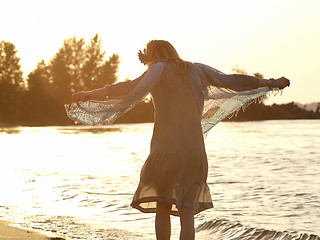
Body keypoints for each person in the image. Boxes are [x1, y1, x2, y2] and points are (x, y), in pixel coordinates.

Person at [70, 40, 290, 240]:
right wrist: (270, 82)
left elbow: (128, 87)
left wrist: (90, 94)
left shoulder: (158, 69)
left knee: (163, 207)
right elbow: (234, 81)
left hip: (166, 151)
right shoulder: (198, 70)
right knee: (187, 213)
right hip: (195, 152)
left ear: (153, 55)